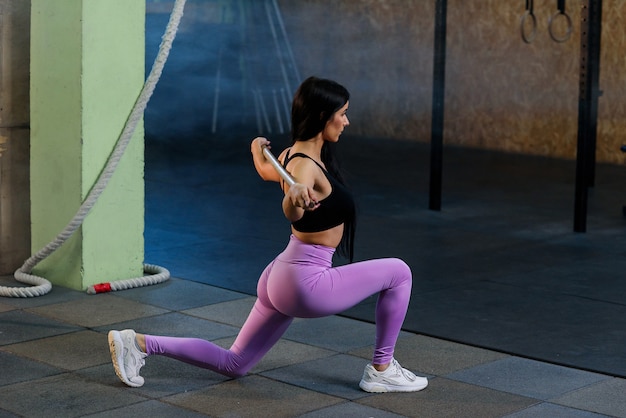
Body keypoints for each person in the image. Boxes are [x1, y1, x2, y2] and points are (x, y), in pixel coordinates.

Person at [108, 76, 428, 393]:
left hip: (278, 276)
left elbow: (265, 170)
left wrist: (255, 149)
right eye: (341, 113)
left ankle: (137, 344)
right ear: (321, 117)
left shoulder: (291, 155)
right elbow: (292, 209)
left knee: (235, 363)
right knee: (399, 272)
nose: (346, 121)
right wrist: (293, 198)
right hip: (305, 284)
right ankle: (382, 369)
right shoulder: (304, 170)